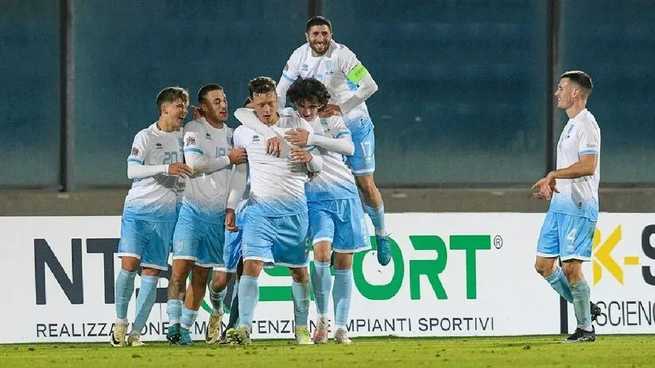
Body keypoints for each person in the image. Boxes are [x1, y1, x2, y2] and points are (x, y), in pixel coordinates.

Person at [276, 16, 390, 266]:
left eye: (324, 34)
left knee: (365, 183)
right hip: (320, 125)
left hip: (354, 124)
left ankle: (381, 234)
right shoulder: (298, 56)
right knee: (312, 175)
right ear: (307, 36)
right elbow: (281, 91)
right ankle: (314, 232)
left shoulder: (343, 54)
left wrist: (342, 107)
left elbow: (370, 86)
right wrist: (277, 121)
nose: (320, 39)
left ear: (331, 34)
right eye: (315, 34)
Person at [226, 76, 323, 345]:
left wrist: (311, 158)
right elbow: (241, 170)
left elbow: (317, 168)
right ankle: (243, 327)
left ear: (277, 99)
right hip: (260, 211)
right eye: (260, 105)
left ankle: (302, 327)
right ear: (253, 104)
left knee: (299, 272)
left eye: (270, 103)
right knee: (251, 267)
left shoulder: (297, 123)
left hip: (294, 211)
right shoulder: (244, 131)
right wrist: (231, 206)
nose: (266, 110)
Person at [165, 84, 247, 345]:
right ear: (202, 108)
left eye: (224, 100)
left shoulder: (235, 136)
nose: (223, 105)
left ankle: (185, 330)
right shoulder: (194, 130)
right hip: (191, 210)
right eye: (216, 101)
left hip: (216, 215)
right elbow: (194, 166)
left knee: (202, 277)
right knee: (179, 271)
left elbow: (239, 177)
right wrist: (227, 160)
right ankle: (174, 325)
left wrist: (231, 206)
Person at [110, 86, 192, 347]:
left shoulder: (186, 137)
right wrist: (166, 168)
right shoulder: (146, 136)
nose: (184, 110)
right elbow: (131, 171)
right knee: (129, 266)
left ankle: (136, 333)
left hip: (167, 215)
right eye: (179, 105)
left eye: (186, 106)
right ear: (164, 108)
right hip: (138, 211)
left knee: (152, 273)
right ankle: (120, 322)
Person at [532, 70, 601, 343]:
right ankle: (586, 308)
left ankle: (585, 329)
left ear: (575, 92)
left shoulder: (587, 124)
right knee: (543, 265)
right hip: (560, 206)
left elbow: (588, 165)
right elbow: (572, 167)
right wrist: (553, 186)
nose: (556, 93)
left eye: (561, 88)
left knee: (572, 268)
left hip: (579, 206)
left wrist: (554, 174)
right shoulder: (570, 125)